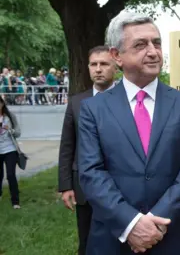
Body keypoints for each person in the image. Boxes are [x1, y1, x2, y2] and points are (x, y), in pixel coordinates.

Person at [77, 12, 180, 255]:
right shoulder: (93, 109)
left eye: (156, 43)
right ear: (116, 55)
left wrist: (156, 220)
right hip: (114, 238)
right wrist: (131, 223)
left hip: (174, 235)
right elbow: (91, 172)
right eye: (140, 45)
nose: (153, 51)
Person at [58, 45, 117, 255]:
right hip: (84, 186)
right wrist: (65, 186)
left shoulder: (127, 101)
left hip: (120, 184)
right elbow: (67, 145)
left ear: (116, 66)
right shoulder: (76, 103)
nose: (98, 69)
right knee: (87, 241)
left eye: (104, 64)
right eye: (94, 64)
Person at [0, 95, 21, 209]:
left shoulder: (10, 116)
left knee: (10, 175)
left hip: (10, 149)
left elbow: (18, 132)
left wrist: (10, 130)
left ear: (2, 104)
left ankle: (15, 201)